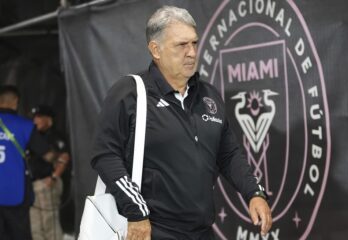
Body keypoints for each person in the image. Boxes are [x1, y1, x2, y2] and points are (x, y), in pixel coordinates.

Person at [91, 5, 272, 240]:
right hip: (152, 230)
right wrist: (136, 213)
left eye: (194, 43)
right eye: (181, 45)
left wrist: (254, 193)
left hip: (203, 231)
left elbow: (228, 154)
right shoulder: (130, 93)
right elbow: (104, 155)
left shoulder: (209, 96)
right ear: (155, 50)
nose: (192, 52)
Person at [0, 85, 52, 240]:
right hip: (16, 193)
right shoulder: (25, 126)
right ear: (15, 102)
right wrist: (59, 158)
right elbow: (47, 154)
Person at [27, 105, 70, 240]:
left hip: (47, 183)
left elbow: (64, 157)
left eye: (39, 117)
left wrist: (53, 177)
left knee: (49, 223)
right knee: (35, 225)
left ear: (48, 118)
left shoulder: (55, 136)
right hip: (32, 184)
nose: (35, 120)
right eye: (34, 117)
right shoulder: (33, 136)